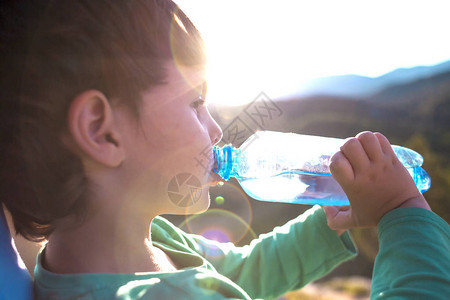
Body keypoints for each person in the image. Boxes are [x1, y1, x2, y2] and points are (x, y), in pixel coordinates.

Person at [0, 1, 447, 300]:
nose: (216, 129)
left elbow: (244, 273)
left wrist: (327, 224)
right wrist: (404, 212)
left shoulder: (145, 242)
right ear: (102, 132)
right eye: (196, 103)